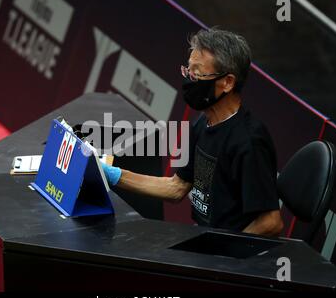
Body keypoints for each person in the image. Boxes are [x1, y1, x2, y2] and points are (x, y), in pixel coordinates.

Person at [102, 28, 283, 236]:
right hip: (202, 236)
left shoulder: (249, 142)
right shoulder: (204, 122)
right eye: (188, 71)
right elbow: (176, 187)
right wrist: (114, 175)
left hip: (226, 255)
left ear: (227, 82)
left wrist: (224, 255)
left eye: (196, 74)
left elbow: (271, 222)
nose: (189, 80)